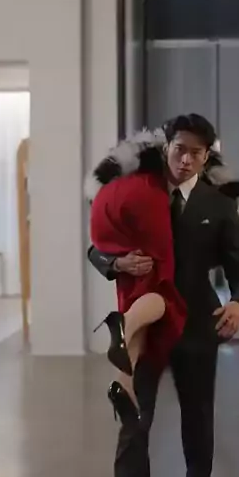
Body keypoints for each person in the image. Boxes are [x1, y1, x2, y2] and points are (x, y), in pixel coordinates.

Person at [88, 114, 239, 477]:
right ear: (166, 146)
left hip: (198, 322)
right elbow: (97, 246)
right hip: (148, 322)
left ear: (206, 156)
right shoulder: (137, 192)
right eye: (179, 149)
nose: (185, 160)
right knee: (134, 417)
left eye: (196, 153)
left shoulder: (218, 205)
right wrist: (116, 263)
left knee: (197, 412)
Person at [87, 129, 187, 417]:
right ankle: (124, 325)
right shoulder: (154, 185)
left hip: (107, 206)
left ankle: (123, 385)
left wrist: (119, 262)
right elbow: (94, 252)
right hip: (140, 205)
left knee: (139, 299)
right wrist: (118, 263)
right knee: (163, 294)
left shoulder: (121, 177)